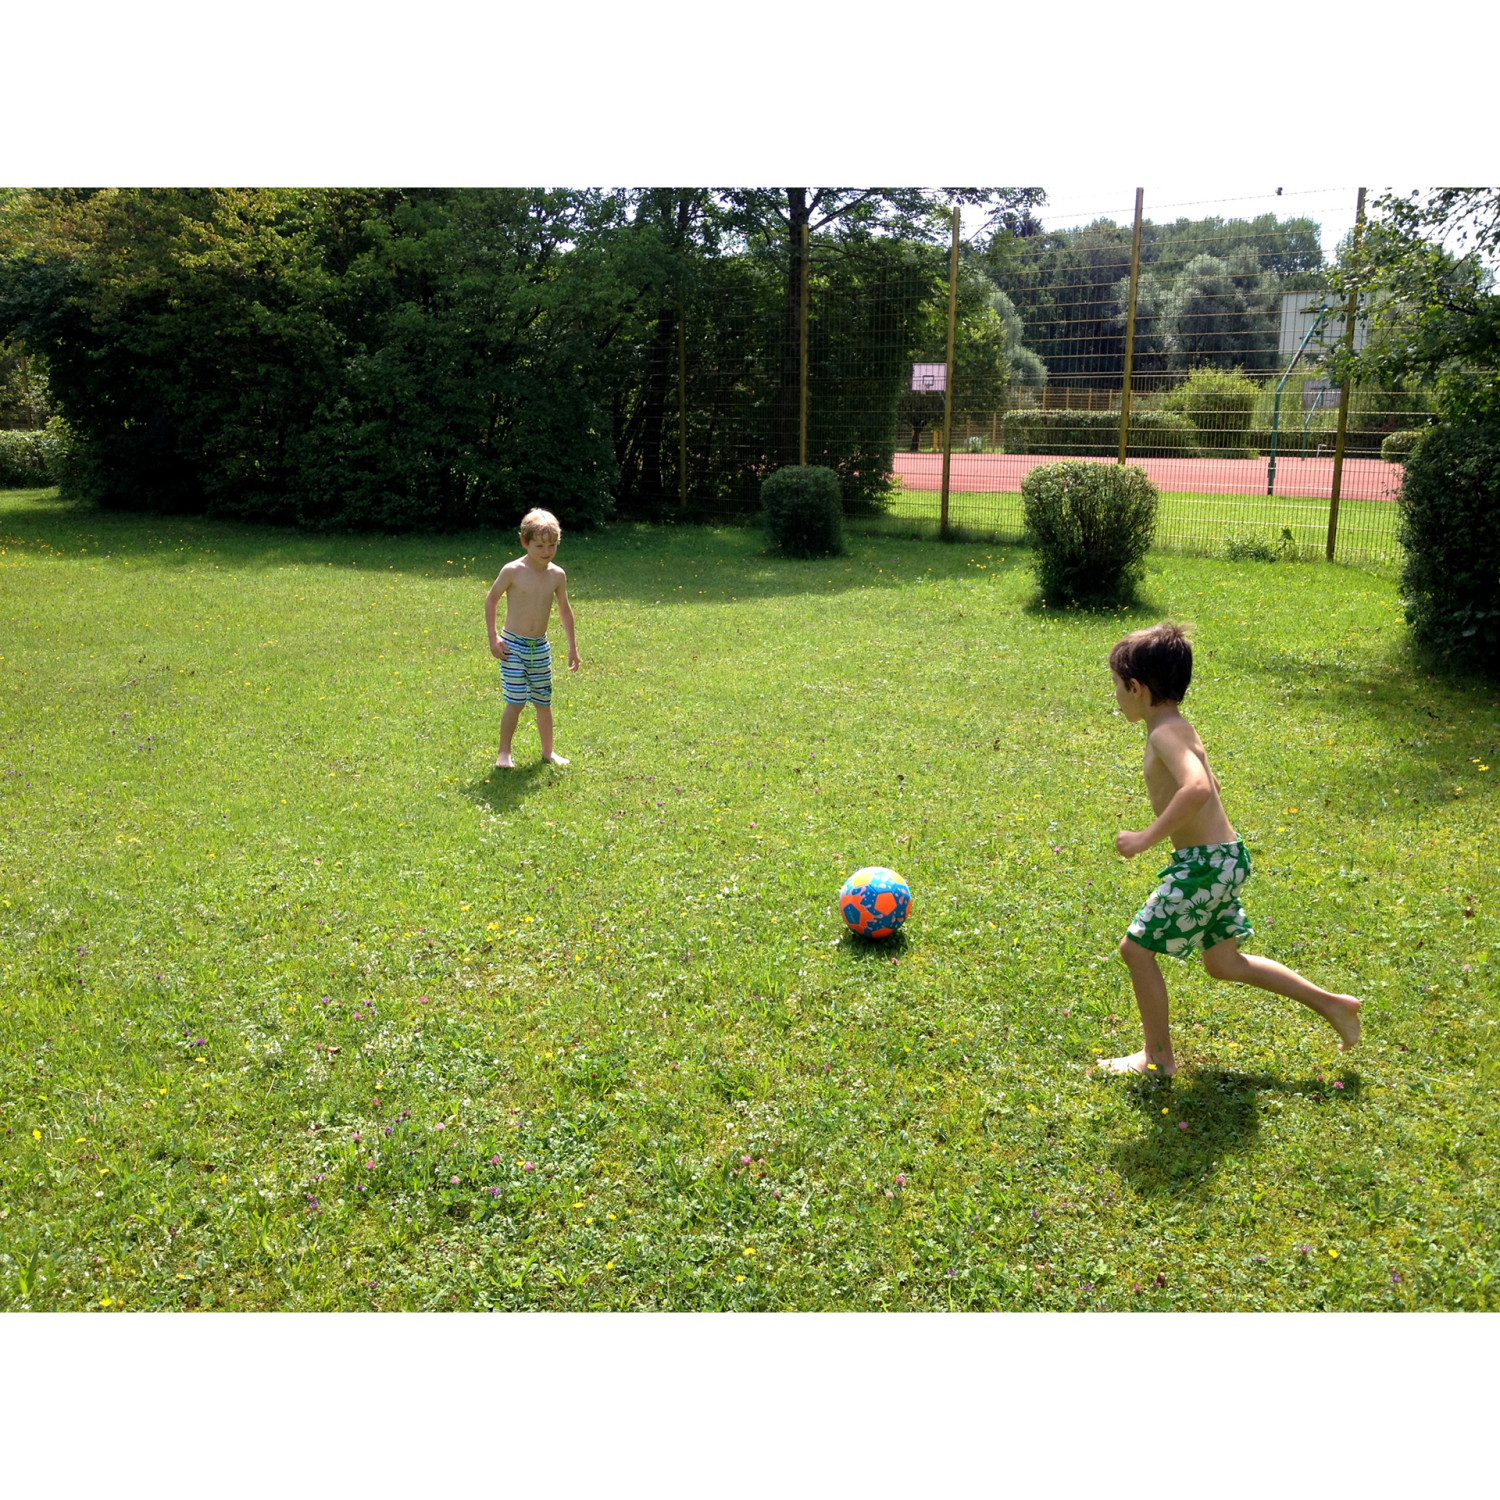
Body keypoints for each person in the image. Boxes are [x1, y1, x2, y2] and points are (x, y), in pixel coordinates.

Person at [1098, 622, 1360, 1076]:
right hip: (1222, 859)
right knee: (1223, 962)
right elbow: (1211, 782)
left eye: (1117, 685)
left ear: (1136, 687)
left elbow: (1199, 787)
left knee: (1135, 950)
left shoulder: (1163, 735)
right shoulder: (1178, 727)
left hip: (1206, 865)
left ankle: (1157, 1058)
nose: (1115, 695)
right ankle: (1333, 1004)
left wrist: (1144, 838)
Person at [484, 509, 580, 769]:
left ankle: (549, 752)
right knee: (515, 701)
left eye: (552, 545)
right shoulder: (513, 571)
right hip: (512, 646)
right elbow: (491, 600)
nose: (547, 551)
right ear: (524, 542)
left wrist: (572, 646)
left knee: (543, 702)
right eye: (540, 546)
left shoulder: (557, 575)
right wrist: (493, 638)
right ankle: (504, 753)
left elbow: (564, 610)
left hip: (540, 648)